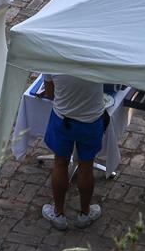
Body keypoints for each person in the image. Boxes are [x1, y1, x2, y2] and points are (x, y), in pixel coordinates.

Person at [40, 72, 112, 230]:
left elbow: (50, 93)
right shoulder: (98, 55)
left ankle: (58, 214)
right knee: (86, 165)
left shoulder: (51, 56)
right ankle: (84, 214)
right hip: (92, 120)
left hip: (63, 118)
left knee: (60, 163)